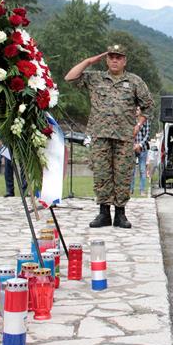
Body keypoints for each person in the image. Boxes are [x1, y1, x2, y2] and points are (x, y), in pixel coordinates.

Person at [65, 43, 154, 229]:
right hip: (100, 134)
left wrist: (138, 125)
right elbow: (70, 77)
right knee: (102, 174)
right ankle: (103, 213)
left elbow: (148, 106)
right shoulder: (96, 78)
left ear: (124, 61)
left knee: (122, 175)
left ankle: (120, 214)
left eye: (118, 57)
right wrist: (90, 61)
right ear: (106, 59)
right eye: (111, 57)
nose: (114, 60)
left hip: (124, 137)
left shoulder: (135, 81)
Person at [131, 107, 150, 196]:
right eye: (135, 109)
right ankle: (130, 190)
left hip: (143, 149)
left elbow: (147, 135)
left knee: (142, 170)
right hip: (132, 148)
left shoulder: (145, 121)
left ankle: (142, 190)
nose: (136, 111)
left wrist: (140, 145)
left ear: (141, 111)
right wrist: (134, 145)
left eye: (138, 110)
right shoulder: (130, 120)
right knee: (131, 170)